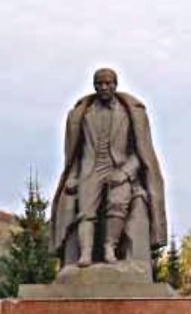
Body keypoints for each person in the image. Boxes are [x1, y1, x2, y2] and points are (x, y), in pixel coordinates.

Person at [50, 68, 168, 269]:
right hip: (90, 168)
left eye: (108, 83)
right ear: (94, 86)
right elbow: (75, 152)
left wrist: (125, 173)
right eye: (99, 84)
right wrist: (73, 176)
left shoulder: (130, 114)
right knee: (85, 210)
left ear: (115, 85)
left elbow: (141, 152)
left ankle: (109, 247)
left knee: (118, 202)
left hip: (119, 169)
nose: (104, 87)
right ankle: (85, 253)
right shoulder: (82, 114)